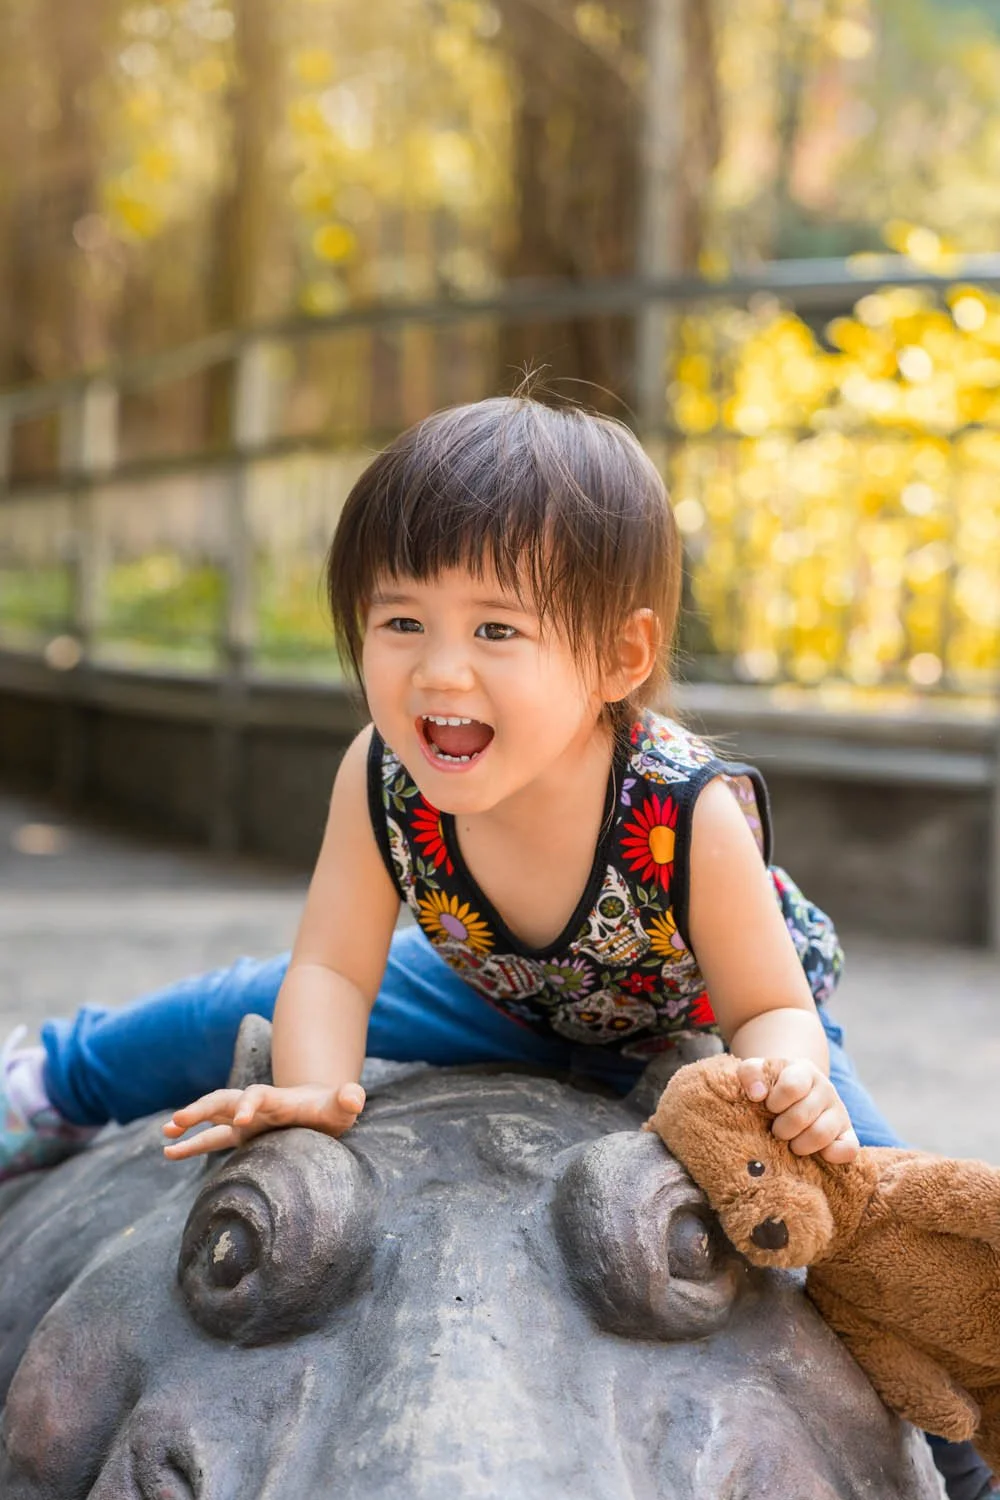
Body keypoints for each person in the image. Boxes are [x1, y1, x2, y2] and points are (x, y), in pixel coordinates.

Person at [0, 396, 993, 1499]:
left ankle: (964, 1460)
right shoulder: (380, 775)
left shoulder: (683, 807)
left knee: (887, 1215)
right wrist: (317, 1087)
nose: (439, 672)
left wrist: (788, 1087)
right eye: (401, 623)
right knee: (251, 997)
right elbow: (333, 963)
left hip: (696, 1021)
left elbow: (767, 1002)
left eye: (496, 630)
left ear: (620, 654)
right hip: (499, 991)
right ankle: (48, 1082)